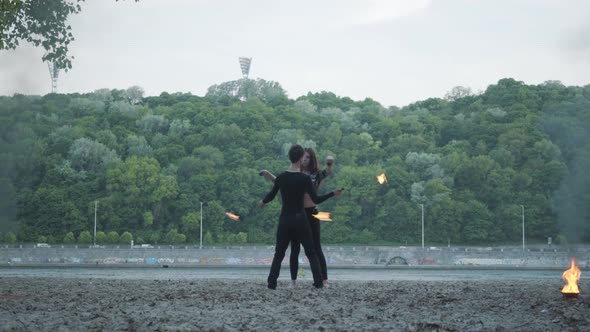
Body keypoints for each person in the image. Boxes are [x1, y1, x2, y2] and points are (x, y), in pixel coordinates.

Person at [258, 144, 343, 289]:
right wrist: (332, 194)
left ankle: (272, 283)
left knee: (279, 253)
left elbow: (271, 195)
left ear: (290, 158)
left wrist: (263, 202)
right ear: (300, 159)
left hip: (285, 218)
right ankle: (318, 282)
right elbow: (315, 199)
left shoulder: (282, 177)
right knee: (311, 251)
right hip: (300, 218)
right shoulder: (304, 179)